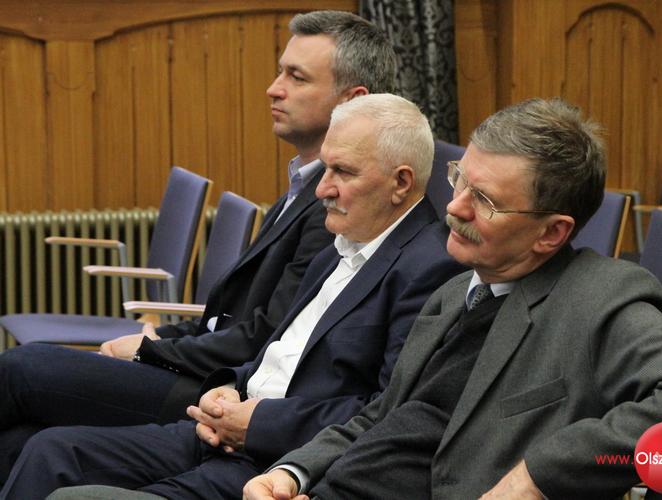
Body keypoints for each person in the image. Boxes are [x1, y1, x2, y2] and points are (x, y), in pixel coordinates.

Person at [242, 98, 662, 500]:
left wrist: (541, 473)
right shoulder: (455, 291)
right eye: (459, 180)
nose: (454, 208)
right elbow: (384, 415)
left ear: (552, 233)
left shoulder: (599, 297)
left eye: (484, 200)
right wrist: (294, 471)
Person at [1, 93, 467, 499]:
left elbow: (385, 411)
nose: (323, 188)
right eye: (325, 168)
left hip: (277, 462)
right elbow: (278, 354)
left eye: (342, 172)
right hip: (222, 427)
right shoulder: (341, 245)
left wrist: (256, 422)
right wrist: (227, 388)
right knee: (50, 450)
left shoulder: (428, 268)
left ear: (400, 183)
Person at [0, 10, 398, 482]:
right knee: (22, 440)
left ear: (352, 101)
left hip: (212, 390)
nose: (273, 88)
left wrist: (152, 350)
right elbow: (232, 318)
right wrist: (161, 338)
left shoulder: (339, 207)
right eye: (280, 72)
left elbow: (264, 335)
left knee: (22, 368)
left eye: (296, 77)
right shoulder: (302, 182)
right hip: (208, 372)